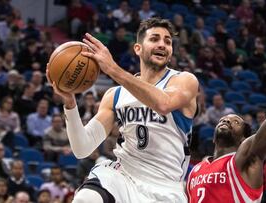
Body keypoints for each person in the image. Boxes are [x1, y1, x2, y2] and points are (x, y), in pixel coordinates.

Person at [46, 17, 198, 202]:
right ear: (137, 48)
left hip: (165, 186)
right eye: (154, 39)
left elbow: (163, 104)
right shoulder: (115, 95)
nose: (162, 45)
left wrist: (113, 69)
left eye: (168, 41)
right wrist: (70, 103)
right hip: (123, 176)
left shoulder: (184, 80)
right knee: (85, 199)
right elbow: (82, 148)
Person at [186, 10, 266, 202]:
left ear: (245, 137)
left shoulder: (247, 157)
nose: (227, 120)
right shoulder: (194, 172)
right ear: (212, 138)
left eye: (235, 122)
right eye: (224, 119)